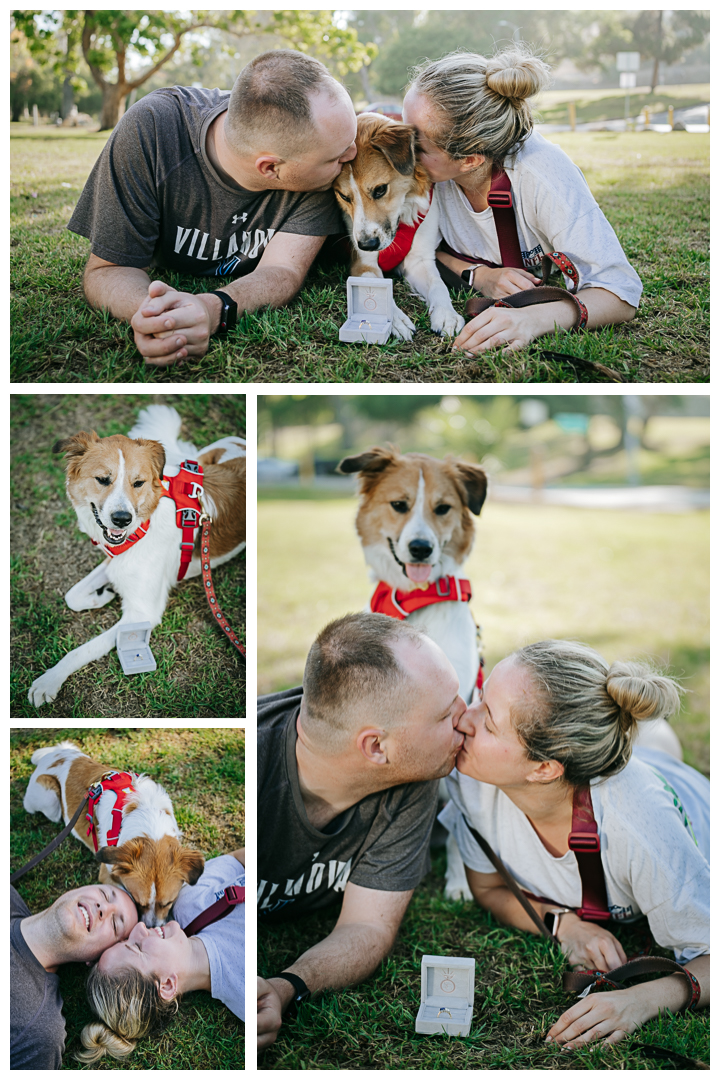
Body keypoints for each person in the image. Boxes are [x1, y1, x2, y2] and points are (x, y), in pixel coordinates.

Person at [441, 640, 709, 1048]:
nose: (464, 717)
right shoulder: (473, 783)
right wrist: (564, 924)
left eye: (489, 721)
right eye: (479, 698)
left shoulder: (638, 824)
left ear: (544, 768)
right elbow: (488, 887)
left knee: (660, 748)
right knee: (650, 747)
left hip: (676, 793)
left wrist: (641, 999)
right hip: (615, 767)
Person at [257, 611, 466, 1050]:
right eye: (448, 714)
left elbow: (367, 928)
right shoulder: (252, 766)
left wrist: (285, 986)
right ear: (376, 746)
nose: (467, 721)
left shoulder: (415, 772)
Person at [67, 49, 357, 366]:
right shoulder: (151, 129)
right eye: (337, 157)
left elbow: (282, 270)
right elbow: (107, 269)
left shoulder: (317, 170)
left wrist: (210, 309)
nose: (353, 156)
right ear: (271, 168)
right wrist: (156, 318)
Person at [402, 47, 643, 357]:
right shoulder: (425, 173)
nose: (399, 149)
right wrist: (479, 275)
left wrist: (532, 319)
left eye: (415, 144)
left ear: (470, 160)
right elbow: (409, 252)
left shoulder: (543, 175)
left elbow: (619, 293)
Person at [77, 849, 245, 1063]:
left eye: (125, 939)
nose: (139, 927)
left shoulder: (186, 901)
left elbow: (242, 860)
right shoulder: (247, 991)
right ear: (166, 985)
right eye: (136, 947)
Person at [11, 881, 138, 1069]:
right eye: (104, 893)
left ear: (97, 959)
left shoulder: (37, 1033)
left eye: (114, 923)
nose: (103, 907)